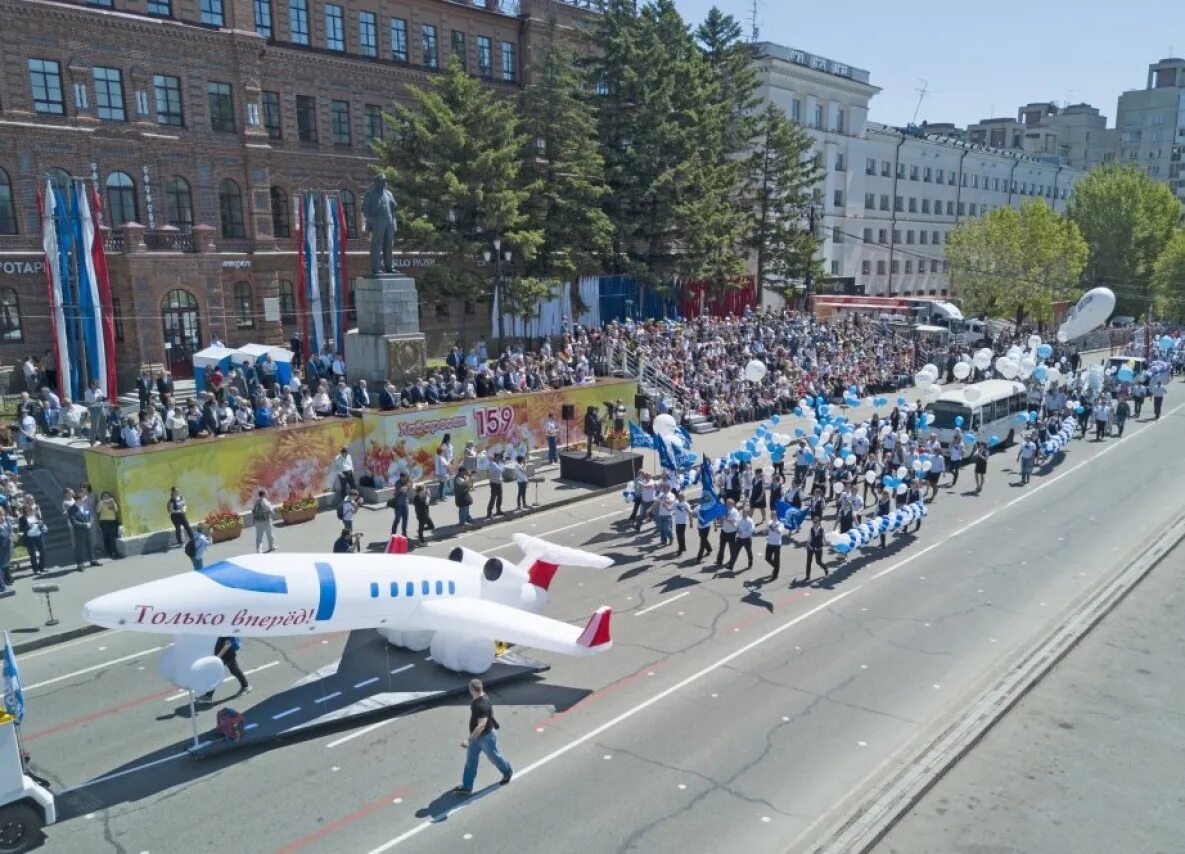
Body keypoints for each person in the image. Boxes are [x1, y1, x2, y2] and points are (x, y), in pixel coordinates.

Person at [455, 678, 512, 795]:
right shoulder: (479, 698)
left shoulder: (481, 704)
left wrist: (468, 740)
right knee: (471, 761)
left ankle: (507, 771)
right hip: (477, 737)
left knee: (495, 758)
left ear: (472, 689)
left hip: (486, 738)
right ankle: (467, 786)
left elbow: (481, 726)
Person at [200, 636, 250, 702]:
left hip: (225, 656)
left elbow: (227, 645)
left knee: (214, 674)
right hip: (227, 655)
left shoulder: (225, 632)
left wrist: (218, 657)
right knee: (234, 670)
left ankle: (208, 696)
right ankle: (245, 687)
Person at [67, 495, 99, 571]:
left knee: (90, 545)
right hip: (79, 531)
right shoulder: (71, 509)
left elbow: (90, 516)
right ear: (78, 499)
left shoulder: (85, 506)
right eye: (83, 498)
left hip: (88, 529)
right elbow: (74, 522)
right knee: (80, 548)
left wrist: (91, 522)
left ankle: (93, 560)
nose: (85, 499)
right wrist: (85, 525)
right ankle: (80, 564)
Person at [18, 503, 46, 575]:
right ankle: (35, 569)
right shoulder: (22, 519)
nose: (29, 512)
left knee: (42, 552)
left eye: (30, 510)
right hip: (30, 538)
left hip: (38, 535)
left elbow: (41, 523)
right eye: (27, 511)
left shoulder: (36, 515)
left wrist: (41, 524)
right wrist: (28, 527)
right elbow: (21, 528)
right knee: (33, 554)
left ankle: (42, 567)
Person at [97, 490, 120, 559]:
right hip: (104, 521)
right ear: (102, 497)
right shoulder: (101, 503)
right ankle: (108, 551)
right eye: (104, 496)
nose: (106, 497)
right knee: (105, 537)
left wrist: (112, 502)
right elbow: (97, 511)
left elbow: (116, 510)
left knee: (112, 537)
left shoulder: (112, 502)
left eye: (108, 496)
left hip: (112, 521)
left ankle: (113, 551)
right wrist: (102, 502)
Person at [252, 489, 277, 553]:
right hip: (266, 521)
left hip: (258, 521)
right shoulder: (266, 502)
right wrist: (274, 514)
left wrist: (254, 521)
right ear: (264, 494)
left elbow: (253, 511)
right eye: (266, 493)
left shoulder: (256, 502)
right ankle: (272, 547)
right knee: (270, 535)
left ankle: (259, 551)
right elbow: (271, 511)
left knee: (259, 537)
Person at [804, 516, 828, 582]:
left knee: (818, 562)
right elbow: (809, 539)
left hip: (819, 548)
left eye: (815, 522)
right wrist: (807, 545)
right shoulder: (811, 529)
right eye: (813, 522)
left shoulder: (822, 530)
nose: (814, 523)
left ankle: (825, 568)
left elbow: (825, 540)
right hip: (811, 547)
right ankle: (807, 576)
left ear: (819, 522)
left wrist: (829, 543)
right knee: (808, 562)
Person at [486, 453, 505, 518]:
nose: (499, 459)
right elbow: (500, 470)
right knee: (493, 498)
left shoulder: (499, 464)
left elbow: (502, 470)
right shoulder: (492, 464)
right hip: (494, 483)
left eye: (499, 458)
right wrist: (502, 464)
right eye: (498, 458)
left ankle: (498, 510)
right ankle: (489, 513)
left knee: (500, 497)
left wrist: (502, 464)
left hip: (499, 483)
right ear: (495, 457)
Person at [672, 491, 690, 555]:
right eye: (679, 497)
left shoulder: (686, 504)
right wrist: (665, 506)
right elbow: (670, 509)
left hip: (683, 522)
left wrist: (691, 522)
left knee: (680, 536)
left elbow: (689, 513)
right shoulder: (676, 504)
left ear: (684, 497)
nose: (680, 498)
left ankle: (680, 549)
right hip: (677, 522)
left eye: (682, 497)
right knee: (680, 535)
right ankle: (683, 547)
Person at [0, 509, 12, 591]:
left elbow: (10, 532)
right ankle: (2, 585)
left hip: (6, 547)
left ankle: (5, 581)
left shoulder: (5, 521)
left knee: (5, 565)